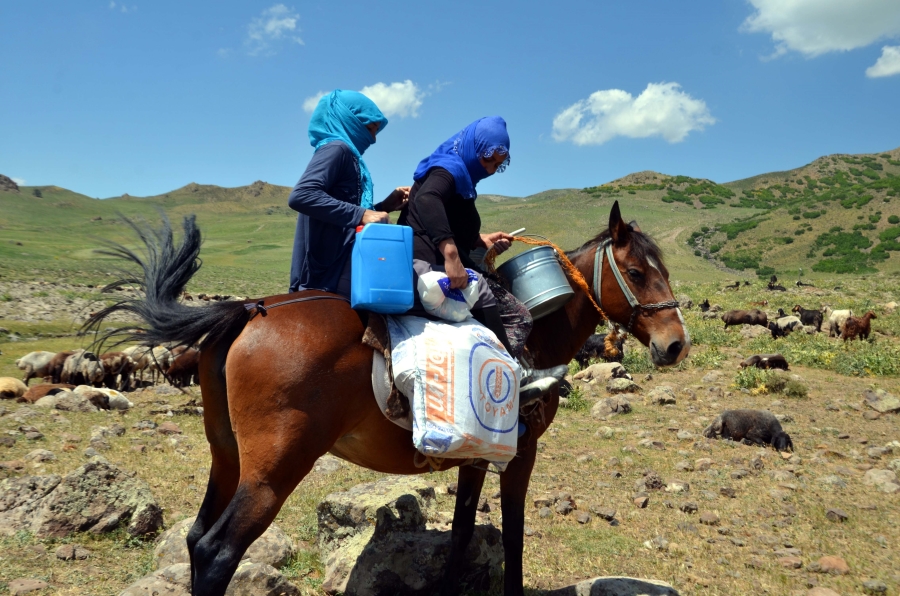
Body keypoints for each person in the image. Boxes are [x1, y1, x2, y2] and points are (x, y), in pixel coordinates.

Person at [398, 116, 567, 392]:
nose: (489, 170)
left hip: (437, 257)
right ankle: (514, 378)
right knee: (518, 316)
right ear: (474, 148)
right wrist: (451, 254)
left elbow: (451, 223)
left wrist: (482, 240)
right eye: (487, 161)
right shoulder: (448, 170)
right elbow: (427, 200)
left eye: (497, 166)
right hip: (430, 262)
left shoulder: (461, 177)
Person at [288, 90, 409, 296]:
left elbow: (341, 215)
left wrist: (382, 207)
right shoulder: (337, 148)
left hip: (337, 267)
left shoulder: (349, 157)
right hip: (327, 275)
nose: (373, 139)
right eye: (370, 128)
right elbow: (302, 195)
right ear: (348, 120)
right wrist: (362, 214)